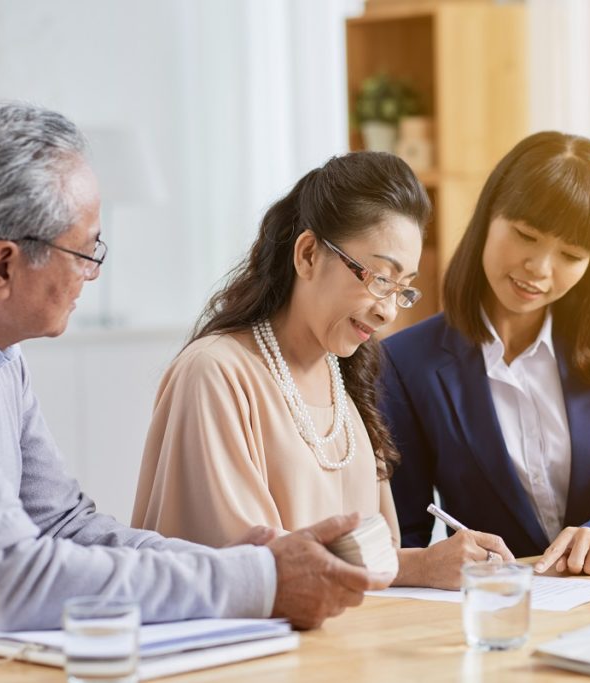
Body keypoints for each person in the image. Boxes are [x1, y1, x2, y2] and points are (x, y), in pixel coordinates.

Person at [0, 101, 390, 648]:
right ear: (2, 265)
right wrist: (257, 581)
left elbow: (62, 524)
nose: (94, 272)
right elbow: (14, 581)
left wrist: (238, 567)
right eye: (85, 251)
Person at [131, 152, 514, 589]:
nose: (389, 310)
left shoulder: (346, 386)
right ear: (309, 254)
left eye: (402, 287)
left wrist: (430, 562)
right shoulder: (215, 374)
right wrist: (418, 567)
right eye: (379, 278)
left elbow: (376, 559)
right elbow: (244, 569)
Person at [380, 132, 590, 576]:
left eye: (571, 254)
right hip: (494, 610)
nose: (540, 269)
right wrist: (430, 563)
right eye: (526, 235)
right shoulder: (407, 363)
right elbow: (403, 533)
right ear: (489, 216)